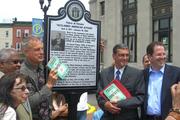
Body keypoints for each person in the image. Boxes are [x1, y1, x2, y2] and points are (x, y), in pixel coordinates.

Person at [97, 43, 145, 120]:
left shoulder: (137, 74)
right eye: (121, 55)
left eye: (127, 55)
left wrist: (118, 103)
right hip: (108, 117)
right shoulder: (104, 73)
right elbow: (99, 95)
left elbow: (140, 98)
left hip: (128, 117)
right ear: (114, 56)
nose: (125, 58)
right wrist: (105, 104)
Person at [20, 36, 58, 120]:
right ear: (26, 52)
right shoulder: (22, 73)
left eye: (42, 49)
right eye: (37, 49)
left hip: (47, 115)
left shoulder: (43, 66)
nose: (41, 52)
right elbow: (28, 102)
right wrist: (49, 85)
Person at [142, 41, 180, 120]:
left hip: (169, 117)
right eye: (159, 54)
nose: (162, 57)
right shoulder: (142, 74)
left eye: (164, 54)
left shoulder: (176, 73)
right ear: (150, 57)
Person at [0, 48, 32, 120]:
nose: (19, 65)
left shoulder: (19, 80)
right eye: (15, 62)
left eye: (20, 62)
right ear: (2, 64)